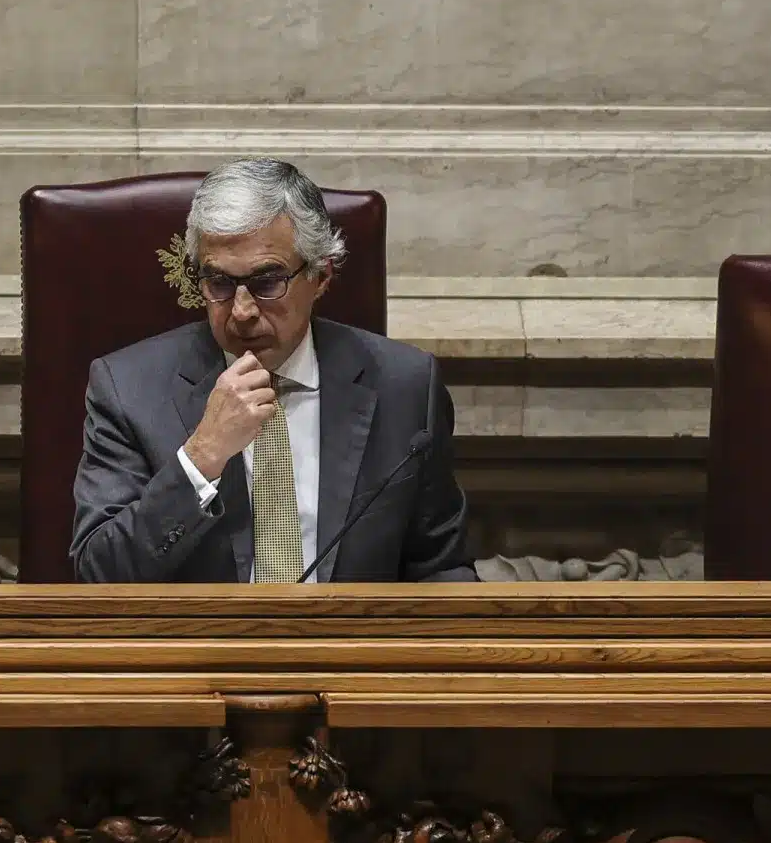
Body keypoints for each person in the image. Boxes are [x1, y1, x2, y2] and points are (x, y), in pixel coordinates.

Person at [70, 158, 476, 583]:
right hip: (198, 646)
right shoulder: (127, 389)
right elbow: (100, 574)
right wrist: (201, 457)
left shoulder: (405, 387)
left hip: (351, 644)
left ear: (320, 276)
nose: (241, 312)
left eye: (267, 283)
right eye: (219, 284)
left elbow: (441, 570)